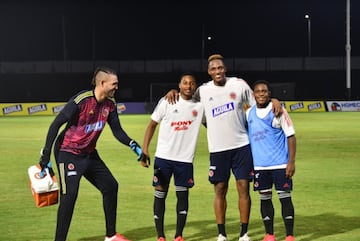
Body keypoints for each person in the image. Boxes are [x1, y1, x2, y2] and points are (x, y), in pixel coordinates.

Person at [165, 54, 282, 241]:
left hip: (242, 146)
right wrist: (173, 91)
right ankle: (222, 234)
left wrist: (274, 100)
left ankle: (244, 233)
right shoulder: (202, 90)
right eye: (214, 69)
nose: (217, 71)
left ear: (225, 69)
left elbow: (258, 102)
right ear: (209, 72)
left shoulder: (239, 84)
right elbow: (186, 98)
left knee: (243, 187)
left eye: (220, 68)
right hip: (218, 149)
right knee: (220, 189)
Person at [38, 66, 150, 241]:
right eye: (114, 84)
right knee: (70, 196)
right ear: (102, 83)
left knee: (111, 186)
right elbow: (56, 124)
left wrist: (133, 145)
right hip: (67, 152)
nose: (117, 87)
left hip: (89, 154)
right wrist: (45, 157)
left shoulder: (110, 105)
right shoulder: (82, 100)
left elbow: (117, 131)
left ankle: (111, 236)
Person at [142, 73, 204, 241]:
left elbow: (212, 124)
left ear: (195, 86)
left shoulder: (200, 107)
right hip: (164, 158)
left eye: (192, 83)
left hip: (185, 160)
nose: (188, 86)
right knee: (160, 194)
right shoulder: (168, 101)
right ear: (179, 85)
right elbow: (152, 125)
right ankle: (160, 236)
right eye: (185, 83)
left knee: (182, 196)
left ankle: (179, 235)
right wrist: (145, 149)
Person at [245, 80, 296, 241]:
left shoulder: (278, 111)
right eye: (258, 91)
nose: (261, 93)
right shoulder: (248, 113)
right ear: (253, 95)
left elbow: (291, 136)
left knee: (285, 198)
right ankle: (269, 234)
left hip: (280, 164)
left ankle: (289, 235)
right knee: (265, 200)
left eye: (265, 91)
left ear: (269, 94)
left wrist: (291, 162)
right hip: (260, 166)